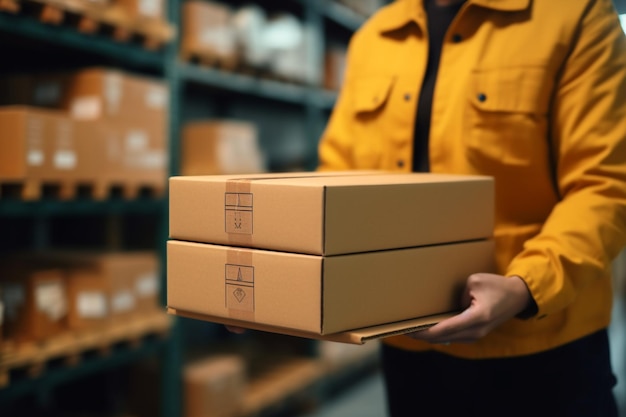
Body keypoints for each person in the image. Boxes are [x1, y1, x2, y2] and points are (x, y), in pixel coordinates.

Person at [316, 0, 626, 416]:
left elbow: (604, 185)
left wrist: (526, 287)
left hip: (541, 347)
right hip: (407, 348)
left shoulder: (575, 16)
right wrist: (284, 281)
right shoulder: (375, 37)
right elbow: (336, 178)